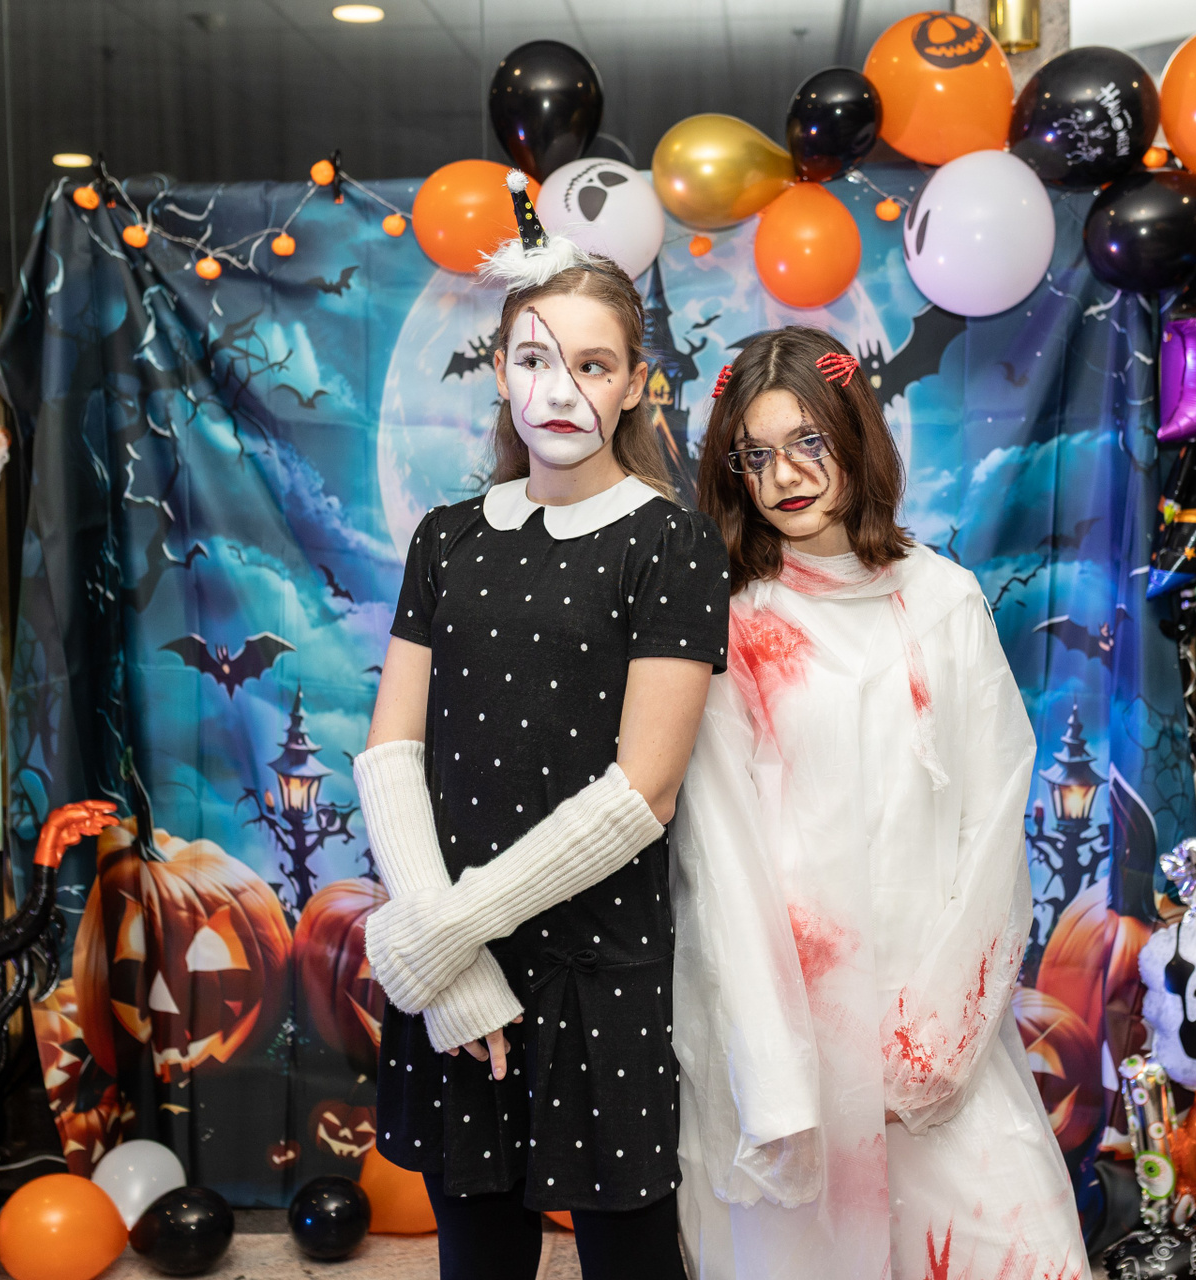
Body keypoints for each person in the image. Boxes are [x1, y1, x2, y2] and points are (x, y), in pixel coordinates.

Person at [354, 173, 728, 1280]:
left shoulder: (670, 543)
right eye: (533, 358)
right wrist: (456, 968)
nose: (559, 389)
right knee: (476, 1257)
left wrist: (441, 934)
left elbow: (642, 792)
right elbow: (390, 753)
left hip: (596, 964)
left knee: (632, 1258)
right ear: (500, 372)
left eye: (592, 364)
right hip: (459, 963)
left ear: (635, 384)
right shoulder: (447, 536)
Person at [672, 326, 1089, 1279]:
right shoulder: (730, 623)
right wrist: (775, 1076)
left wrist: (939, 1031)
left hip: (940, 1024)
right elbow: (721, 862)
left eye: (808, 441)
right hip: (797, 1034)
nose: (785, 475)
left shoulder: (943, 598)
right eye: (756, 455)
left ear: (855, 435)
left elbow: (994, 817)